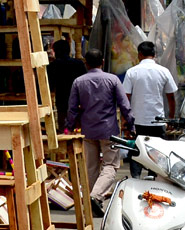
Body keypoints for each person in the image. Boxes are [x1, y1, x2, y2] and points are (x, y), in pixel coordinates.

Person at [65, 49, 134, 215]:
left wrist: (69, 126)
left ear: (86, 63)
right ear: (102, 62)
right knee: (110, 165)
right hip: (109, 130)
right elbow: (124, 105)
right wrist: (130, 125)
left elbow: (72, 108)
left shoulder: (78, 82)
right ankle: (96, 196)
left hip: (88, 130)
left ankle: (93, 204)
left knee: (91, 167)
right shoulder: (112, 80)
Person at [121, 41, 177, 177]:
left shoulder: (131, 72)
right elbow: (171, 97)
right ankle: (153, 178)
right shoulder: (164, 71)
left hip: (137, 120)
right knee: (156, 152)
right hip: (157, 120)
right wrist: (170, 118)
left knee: (136, 150)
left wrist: (125, 120)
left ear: (139, 54)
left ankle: (135, 179)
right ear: (154, 54)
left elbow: (125, 99)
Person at [48, 38, 86, 124]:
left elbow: (50, 86)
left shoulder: (53, 66)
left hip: (62, 103)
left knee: (64, 129)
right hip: (79, 101)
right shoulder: (78, 63)